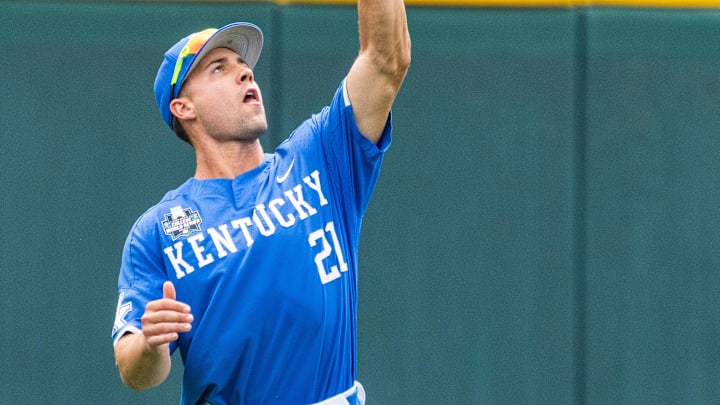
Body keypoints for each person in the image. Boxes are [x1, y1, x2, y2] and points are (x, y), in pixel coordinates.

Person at [111, 0, 410, 403]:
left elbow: (386, 60)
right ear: (183, 107)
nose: (245, 72)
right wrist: (150, 342)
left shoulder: (319, 157)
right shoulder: (158, 229)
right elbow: (134, 367)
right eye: (220, 68)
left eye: (242, 64)